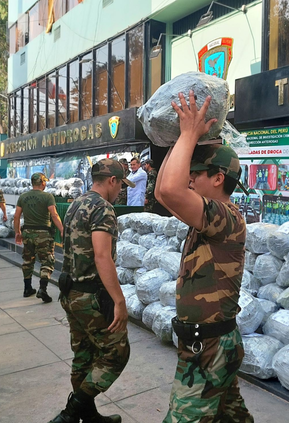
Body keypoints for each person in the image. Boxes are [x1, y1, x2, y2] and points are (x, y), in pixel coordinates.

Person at [155, 90, 254, 423]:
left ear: (218, 178)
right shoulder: (205, 215)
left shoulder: (226, 217)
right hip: (211, 344)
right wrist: (178, 139)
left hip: (208, 347)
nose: (189, 178)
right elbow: (161, 192)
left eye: (196, 174)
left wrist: (188, 135)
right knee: (232, 416)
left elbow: (170, 190)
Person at [49, 159, 134, 423]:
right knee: (116, 354)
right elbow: (102, 256)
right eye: (121, 184)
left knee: (84, 355)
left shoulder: (76, 203)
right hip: (91, 296)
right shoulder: (103, 208)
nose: (121, 190)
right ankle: (70, 414)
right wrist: (119, 301)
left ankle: (87, 415)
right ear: (112, 181)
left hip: (70, 291)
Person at [13, 173, 63, 301]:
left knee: (28, 260)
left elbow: (17, 216)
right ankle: (43, 288)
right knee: (47, 261)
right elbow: (54, 215)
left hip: (27, 233)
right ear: (43, 182)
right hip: (43, 234)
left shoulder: (23, 197)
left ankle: (27, 288)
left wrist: (17, 232)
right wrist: (62, 229)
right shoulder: (47, 196)